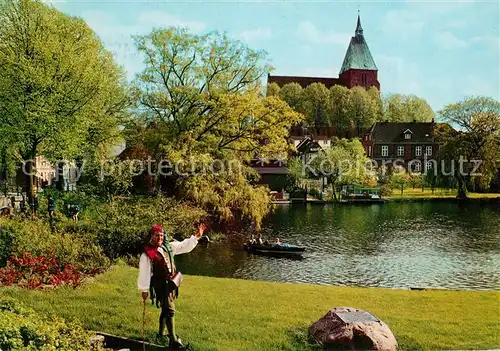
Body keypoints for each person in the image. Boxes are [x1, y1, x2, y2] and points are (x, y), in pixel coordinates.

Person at [138, 223, 207, 349]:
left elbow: (183, 246)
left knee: (165, 310)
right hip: (160, 286)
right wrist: (144, 289)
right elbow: (144, 272)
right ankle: (174, 341)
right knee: (170, 310)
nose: (160, 238)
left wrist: (196, 236)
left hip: (171, 284)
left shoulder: (168, 247)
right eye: (157, 235)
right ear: (152, 236)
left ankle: (160, 334)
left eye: (162, 235)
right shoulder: (147, 254)